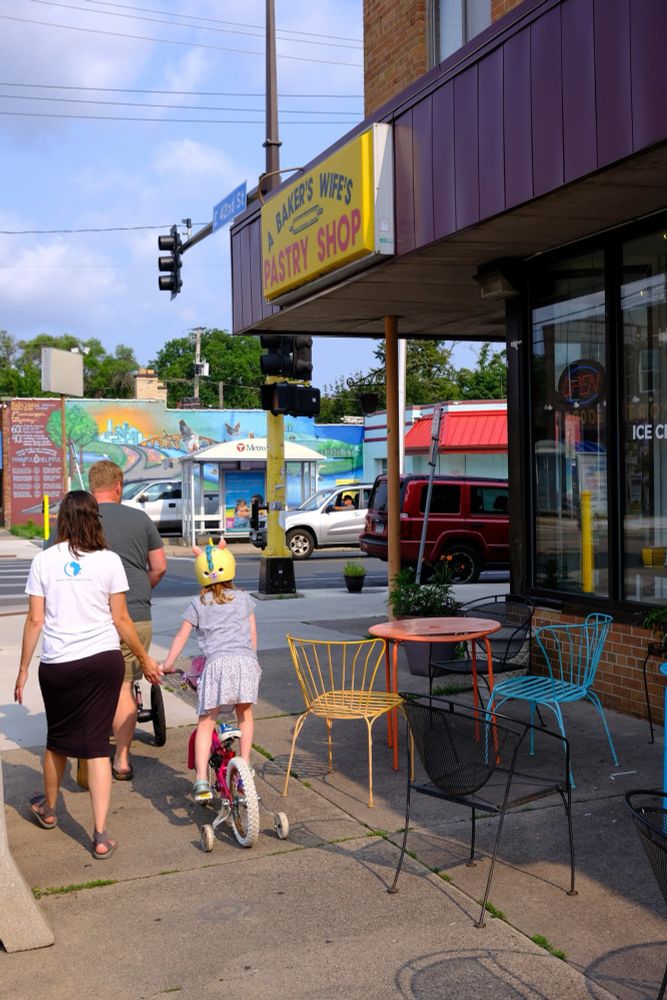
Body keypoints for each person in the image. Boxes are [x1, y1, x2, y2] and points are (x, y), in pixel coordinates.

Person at [13, 491, 160, 859]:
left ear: (62, 519)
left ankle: (48, 810)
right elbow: (121, 619)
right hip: (102, 662)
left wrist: (23, 669)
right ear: (96, 519)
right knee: (96, 746)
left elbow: (35, 620)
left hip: (59, 664)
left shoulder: (44, 561)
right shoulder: (110, 561)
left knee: (57, 741)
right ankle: (99, 834)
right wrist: (143, 658)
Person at [160, 538, 260, 803]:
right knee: (245, 715)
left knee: (207, 722)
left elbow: (181, 637)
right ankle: (245, 768)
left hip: (218, 666)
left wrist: (168, 664)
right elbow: (252, 635)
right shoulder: (244, 599)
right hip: (246, 662)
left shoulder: (198, 603)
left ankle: (202, 780)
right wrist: (251, 661)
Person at [88, 460, 167, 780]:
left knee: (94, 685)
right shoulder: (140, 518)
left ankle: (89, 748)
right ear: (118, 486)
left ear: (92, 488)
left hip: (90, 617)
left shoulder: (79, 519)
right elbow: (159, 566)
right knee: (123, 685)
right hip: (134, 614)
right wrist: (138, 591)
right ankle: (121, 758)